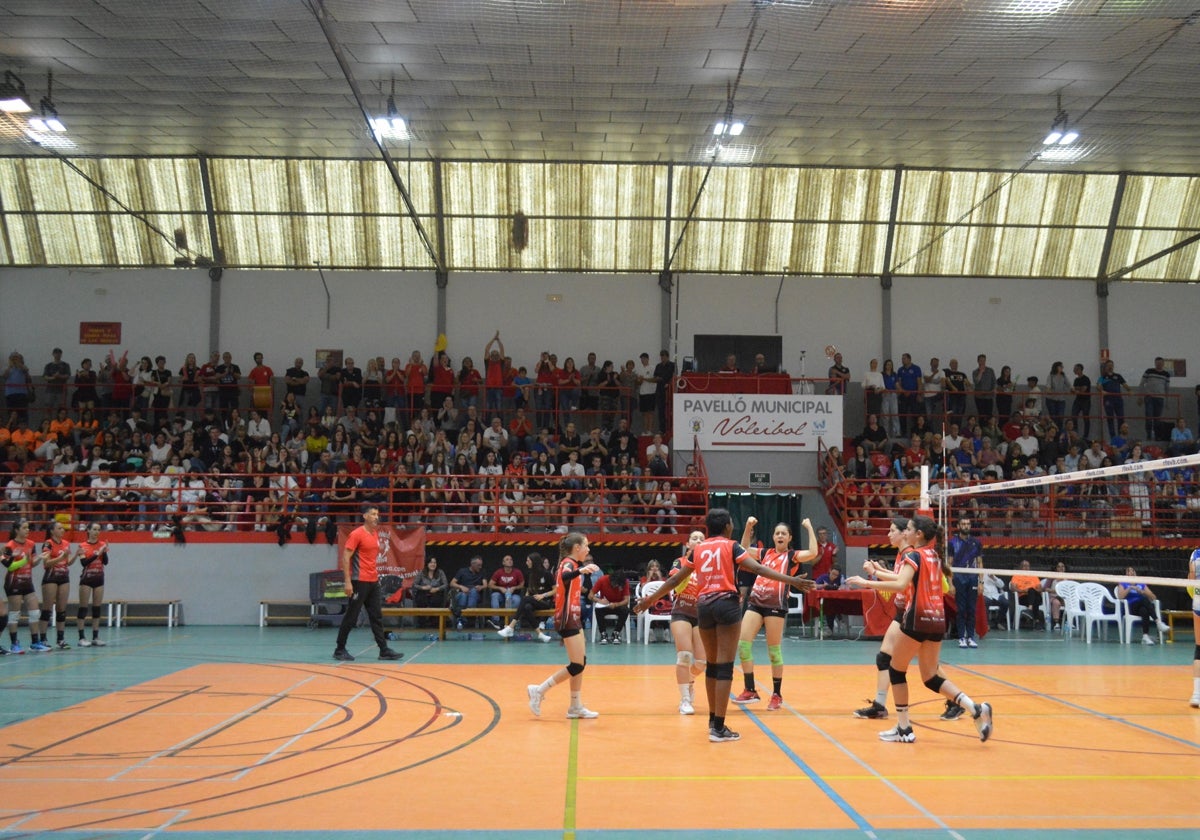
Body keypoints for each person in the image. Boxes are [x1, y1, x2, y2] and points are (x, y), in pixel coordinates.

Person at [634, 509, 814, 743]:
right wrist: (793, 580)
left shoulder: (698, 549)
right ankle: (718, 727)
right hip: (726, 605)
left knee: (711, 666)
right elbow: (758, 568)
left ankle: (712, 721)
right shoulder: (731, 546)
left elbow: (676, 579)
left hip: (704, 606)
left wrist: (650, 599)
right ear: (728, 527)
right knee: (725, 667)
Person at [847, 514, 993, 743]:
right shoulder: (933, 555)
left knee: (896, 670)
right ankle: (974, 707)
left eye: (909, 529)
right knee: (930, 676)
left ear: (919, 534)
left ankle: (904, 728)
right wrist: (878, 572)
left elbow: (900, 584)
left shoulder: (914, 555)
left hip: (917, 619)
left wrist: (866, 582)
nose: (905, 533)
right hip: (937, 621)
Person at [732, 518, 818, 711]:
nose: (780, 536)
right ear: (773, 537)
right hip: (755, 602)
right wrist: (747, 526)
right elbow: (743, 548)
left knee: (773, 651)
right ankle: (750, 689)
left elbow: (813, 553)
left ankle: (777, 694)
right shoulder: (765, 553)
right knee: (743, 645)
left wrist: (809, 527)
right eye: (777, 533)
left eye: (783, 534)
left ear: (789, 538)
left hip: (775, 605)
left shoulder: (792, 556)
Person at [527, 532, 602, 719]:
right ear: (577, 548)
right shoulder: (568, 564)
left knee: (580, 663)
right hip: (566, 618)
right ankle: (539, 690)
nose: (588, 549)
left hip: (574, 617)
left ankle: (575, 706)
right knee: (576, 665)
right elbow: (565, 575)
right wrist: (581, 571)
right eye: (586, 545)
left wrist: (581, 570)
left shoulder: (574, 564)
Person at [332, 505, 403, 662]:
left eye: (377, 514)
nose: (376, 517)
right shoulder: (356, 534)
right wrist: (348, 582)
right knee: (351, 616)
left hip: (373, 581)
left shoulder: (375, 534)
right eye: (372, 514)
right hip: (359, 581)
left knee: (376, 616)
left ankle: (383, 650)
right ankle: (339, 649)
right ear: (364, 516)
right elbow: (345, 558)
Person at [664, 532, 708, 714]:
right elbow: (675, 583)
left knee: (701, 663)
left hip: (701, 615)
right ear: (688, 543)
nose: (698, 541)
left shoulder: (707, 566)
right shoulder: (679, 562)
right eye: (695, 538)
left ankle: (689, 680)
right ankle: (684, 700)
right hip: (681, 612)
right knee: (684, 656)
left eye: (701, 539)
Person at [3, 519, 50, 653]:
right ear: (17, 530)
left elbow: (32, 563)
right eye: (24, 528)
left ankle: (35, 642)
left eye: (28, 528)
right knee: (14, 614)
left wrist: (40, 557)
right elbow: (10, 566)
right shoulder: (10, 545)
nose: (27, 530)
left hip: (27, 582)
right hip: (14, 582)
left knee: (35, 612)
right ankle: (14, 644)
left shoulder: (31, 544)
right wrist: (23, 559)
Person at [498, 552, 554, 642]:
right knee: (526, 607)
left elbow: (555, 590)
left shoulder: (547, 574)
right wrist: (527, 599)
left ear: (534, 562)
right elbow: (529, 589)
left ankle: (511, 627)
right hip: (534, 600)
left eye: (528, 561)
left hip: (545, 602)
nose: (526, 562)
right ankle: (540, 634)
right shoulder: (530, 574)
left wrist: (543, 595)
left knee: (525, 599)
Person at [949, 516, 983, 649]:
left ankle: (971, 637)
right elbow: (949, 563)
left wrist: (981, 581)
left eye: (968, 523)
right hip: (959, 578)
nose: (966, 526)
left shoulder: (976, 542)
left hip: (973, 577)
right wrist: (950, 583)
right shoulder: (952, 543)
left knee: (971, 609)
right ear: (958, 526)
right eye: (963, 524)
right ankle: (961, 637)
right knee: (961, 609)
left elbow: (980, 562)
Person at [75, 523, 110, 647]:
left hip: (99, 578)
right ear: (88, 531)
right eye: (94, 529)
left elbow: (105, 562)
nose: (96, 532)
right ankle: (81, 637)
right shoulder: (83, 546)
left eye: (99, 530)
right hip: (86, 579)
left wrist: (104, 551)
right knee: (83, 608)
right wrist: (97, 553)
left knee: (96, 608)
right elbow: (84, 562)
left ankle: (95, 636)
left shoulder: (102, 544)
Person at [40, 520, 74, 650]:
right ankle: (42, 639)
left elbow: (67, 562)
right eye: (59, 528)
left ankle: (61, 639)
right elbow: (46, 563)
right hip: (51, 577)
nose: (62, 530)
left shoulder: (66, 544)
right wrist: (60, 558)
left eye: (62, 528)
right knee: (47, 609)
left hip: (64, 577)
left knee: (61, 610)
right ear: (52, 531)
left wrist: (75, 555)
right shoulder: (48, 543)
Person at [1116, 566, 1170, 645]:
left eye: (1132, 571)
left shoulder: (1141, 583)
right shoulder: (1123, 583)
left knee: (1144, 611)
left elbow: (1153, 597)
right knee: (1144, 600)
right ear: (1125, 574)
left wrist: (1142, 592)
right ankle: (1158, 622)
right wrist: (1130, 588)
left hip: (1141, 607)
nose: (1131, 573)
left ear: (1135, 573)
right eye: (1128, 571)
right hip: (1130, 608)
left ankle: (1145, 636)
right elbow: (1120, 597)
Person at [590, 567, 631, 644]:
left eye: (618, 585)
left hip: (617, 605)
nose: (616, 586)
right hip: (605, 605)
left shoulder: (624, 583)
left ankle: (616, 633)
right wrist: (600, 601)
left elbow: (626, 600)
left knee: (625, 610)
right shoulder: (602, 580)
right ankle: (603, 634)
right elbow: (590, 595)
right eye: (614, 584)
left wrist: (616, 604)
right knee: (597, 609)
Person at [487, 553, 524, 629]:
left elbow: (522, 585)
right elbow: (490, 584)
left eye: (511, 559)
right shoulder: (499, 572)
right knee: (494, 596)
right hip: (501, 594)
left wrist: (515, 587)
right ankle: (495, 621)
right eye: (507, 559)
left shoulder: (517, 572)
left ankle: (511, 621)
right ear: (503, 563)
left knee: (517, 599)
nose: (510, 561)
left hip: (513, 594)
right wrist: (500, 588)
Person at [450, 555, 487, 629]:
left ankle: (465, 615)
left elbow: (485, 585)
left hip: (475, 594)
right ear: (472, 564)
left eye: (481, 565)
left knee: (473, 591)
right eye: (478, 565)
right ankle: (464, 617)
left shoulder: (482, 571)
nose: (480, 567)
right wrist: (461, 587)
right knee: (463, 595)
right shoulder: (462, 571)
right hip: (463, 593)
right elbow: (452, 583)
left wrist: (481, 587)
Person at [1009, 560, 1044, 629]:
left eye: (1027, 566)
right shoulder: (1016, 576)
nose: (1026, 567)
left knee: (1031, 590)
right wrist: (1023, 590)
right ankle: (1037, 621)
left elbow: (1040, 589)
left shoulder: (1033, 576)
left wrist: (1032, 591)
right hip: (1023, 597)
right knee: (1035, 599)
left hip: (1034, 596)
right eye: (1024, 566)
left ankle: (1030, 608)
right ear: (1020, 567)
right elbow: (1013, 588)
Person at [1188, 548, 1200, 707]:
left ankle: (1197, 694)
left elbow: (1190, 580)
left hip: (1198, 602)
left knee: (1199, 648)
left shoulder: (1195, 554)